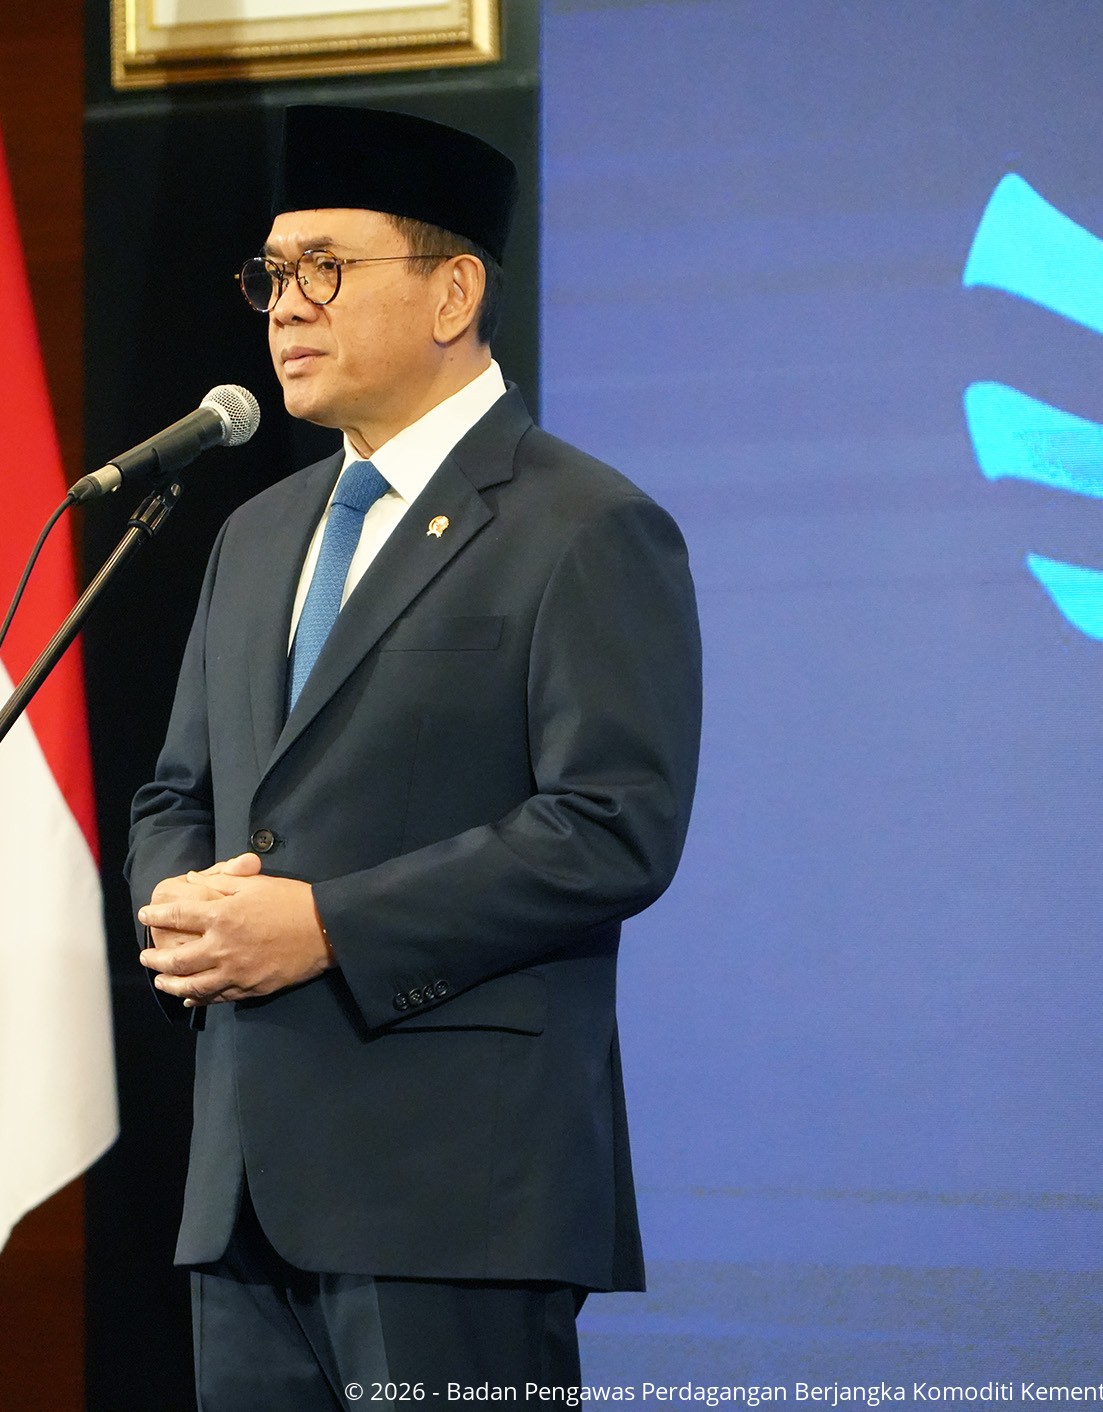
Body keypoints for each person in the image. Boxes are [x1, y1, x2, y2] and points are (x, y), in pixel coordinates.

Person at [127, 103, 702, 1411]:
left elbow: (611, 824)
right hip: (243, 1190)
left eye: (326, 268)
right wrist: (182, 910)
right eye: (273, 273)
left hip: (455, 1196)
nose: (285, 306)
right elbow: (177, 791)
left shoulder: (584, 525)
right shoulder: (256, 534)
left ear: (454, 293)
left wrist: (326, 927)